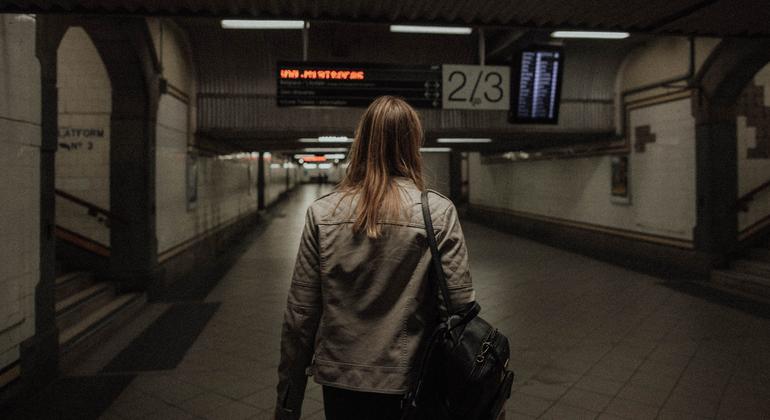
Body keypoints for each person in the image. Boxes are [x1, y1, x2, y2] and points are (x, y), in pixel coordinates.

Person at [275, 96, 475, 420]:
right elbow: (460, 310)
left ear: (362, 142)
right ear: (413, 144)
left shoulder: (323, 214)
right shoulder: (437, 213)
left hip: (341, 384)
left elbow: (300, 319)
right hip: (413, 381)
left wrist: (288, 401)